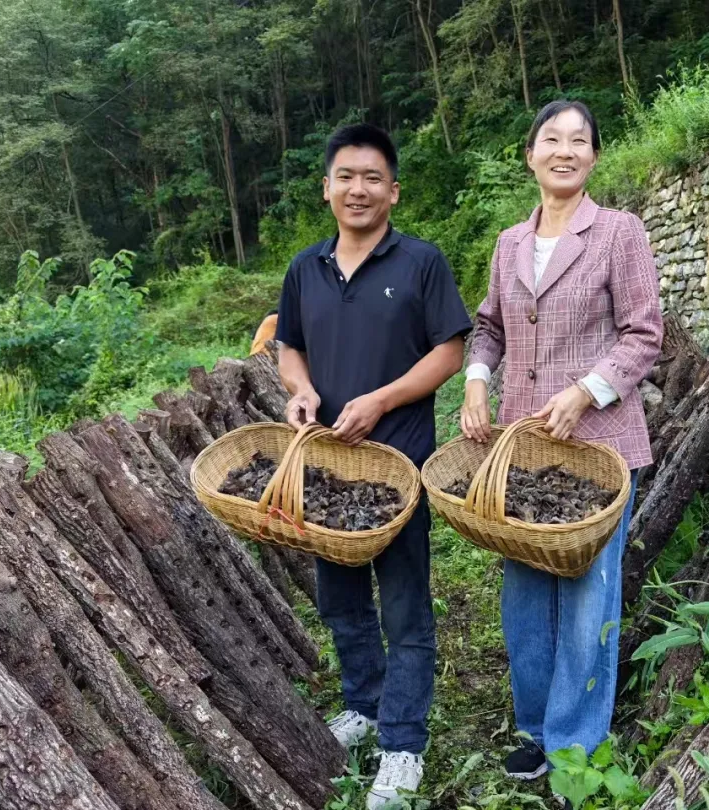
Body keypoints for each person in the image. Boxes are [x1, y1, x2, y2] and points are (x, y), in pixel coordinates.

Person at [460, 100, 663, 794]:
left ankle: (575, 744)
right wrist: (478, 383)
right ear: (530, 154)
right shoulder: (509, 243)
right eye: (552, 138)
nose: (565, 150)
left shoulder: (618, 233)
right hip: (523, 450)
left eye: (580, 140)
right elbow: (488, 327)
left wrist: (585, 392)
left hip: (598, 446)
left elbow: (643, 335)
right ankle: (533, 730)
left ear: (595, 158)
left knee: (586, 597)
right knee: (524, 595)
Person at [273, 123, 472, 809]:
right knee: (340, 596)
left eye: (372, 178)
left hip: (400, 466)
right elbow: (288, 347)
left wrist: (383, 398)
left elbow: (450, 350)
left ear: (393, 191)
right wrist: (300, 390)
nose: (358, 189)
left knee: (407, 605)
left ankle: (403, 743)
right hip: (328, 469)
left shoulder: (420, 262)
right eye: (346, 177)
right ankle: (363, 702)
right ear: (327, 187)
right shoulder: (306, 268)